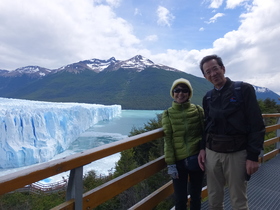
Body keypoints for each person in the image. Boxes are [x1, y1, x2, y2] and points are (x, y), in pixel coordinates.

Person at [198, 55, 265, 210]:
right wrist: (202, 148)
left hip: (237, 153)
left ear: (223, 68)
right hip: (212, 153)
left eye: (215, 69)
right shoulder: (208, 97)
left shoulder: (243, 89)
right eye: (208, 72)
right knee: (214, 199)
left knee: (238, 200)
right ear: (205, 77)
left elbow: (256, 124)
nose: (213, 74)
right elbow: (207, 125)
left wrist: (253, 156)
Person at [162, 78, 205, 210]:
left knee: (196, 196)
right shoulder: (168, 114)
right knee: (180, 199)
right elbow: (168, 140)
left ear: (189, 93)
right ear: (173, 93)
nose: (180, 93)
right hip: (178, 163)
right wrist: (171, 164)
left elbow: (205, 133)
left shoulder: (198, 110)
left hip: (196, 159)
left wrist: (204, 151)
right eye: (177, 90)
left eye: (184, 90)